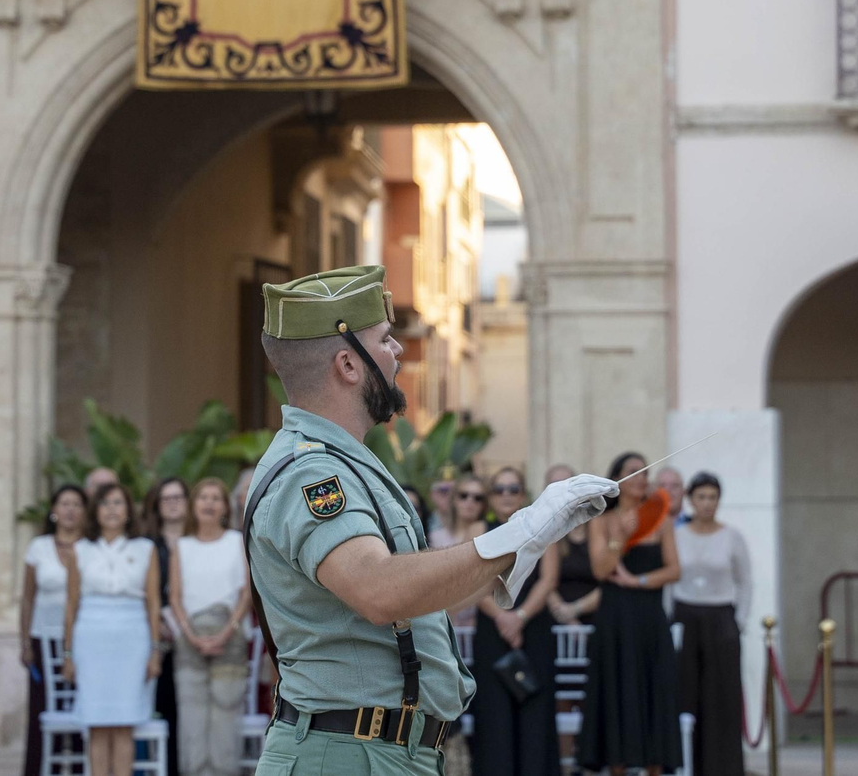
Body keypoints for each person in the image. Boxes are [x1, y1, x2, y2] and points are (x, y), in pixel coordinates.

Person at [244, 265, 614, 775]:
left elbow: (418, 599)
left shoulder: (347, 463)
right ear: (349, 365)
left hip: (376, 750)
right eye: (386, 340)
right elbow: (378, 589)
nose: (398, 352)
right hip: (348, 753)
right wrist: (518, 531)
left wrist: (531, 540)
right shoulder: (312, 473)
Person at [579, 450, 682, 776]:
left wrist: (638, 581)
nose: (642, 478)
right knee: (616, 691)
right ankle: (617, 768)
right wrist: (620, 538)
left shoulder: (661, 519)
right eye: (635, 472)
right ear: (619, 480)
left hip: (650, 618)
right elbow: (600, 570)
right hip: (614, 620)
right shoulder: (602, 522)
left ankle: (654, 767)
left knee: (654, 692)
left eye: (645, 473)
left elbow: (674, 570)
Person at [65, 482, 161, 776]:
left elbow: (154, 604)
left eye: (118, 503)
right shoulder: (79, 550)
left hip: (131, 638)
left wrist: (155, 650)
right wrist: (67, 653)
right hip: (90, 639)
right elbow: (71, 605)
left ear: (129, 511)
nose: (111, 509)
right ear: (95, 511)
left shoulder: (145, 549)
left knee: (123, 724)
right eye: (105, 503)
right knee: (96, 724)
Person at [470, 467, 559, 776]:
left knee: (536, 712)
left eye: (513, 488)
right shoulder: (479, 529)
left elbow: (548, 580)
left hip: (533, 626)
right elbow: (471, 584)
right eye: (499, 489)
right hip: (493, 629)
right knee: (495, 715)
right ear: (490, 498)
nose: (507, 495)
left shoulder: (544, 527)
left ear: (523, 494)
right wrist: (503, 618)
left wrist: (519, 617)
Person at [171, 477, 251, 776]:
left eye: (215, 498)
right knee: (192, 714)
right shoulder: (183, 545)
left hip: (229, 637)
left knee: (226, 713)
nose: (208, 502)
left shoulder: (236, 541)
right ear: (194, 505)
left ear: (224, 506)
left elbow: (247, 592)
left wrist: (226, 632)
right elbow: (175, 597)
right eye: (202, 497)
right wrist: (191, 636)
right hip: (189, 640)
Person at [672, 471, 751, 776]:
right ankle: (688, 764)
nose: (707, 503)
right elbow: (670, 580)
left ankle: (724, 767)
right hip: (685, 615)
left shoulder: (732, 537)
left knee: (723, 696)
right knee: (687, 693)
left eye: (712, 497)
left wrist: (739, 622)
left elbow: (745, 582)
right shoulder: (677, 534)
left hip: (720, 617)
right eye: (701, 497)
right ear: (691, 500)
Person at [20, 484, 87, 776]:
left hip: (84, 642)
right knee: (42, 713)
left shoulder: (90, 548)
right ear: (54, 510)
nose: (70, 509)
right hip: (43, 639)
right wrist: (24, 642)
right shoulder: (38, 547)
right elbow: (27, 597)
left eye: (76, 504)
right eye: (64, 503)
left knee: (80, 712)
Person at [141, 477, 188, 776]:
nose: (172, 502)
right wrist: (159, 620)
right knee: (166, 707)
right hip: (159, 637)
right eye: (165, 498)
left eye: (178, 497)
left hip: (194, 633)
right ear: (157, 505)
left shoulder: (199, 541)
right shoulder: (147, 545)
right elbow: (144, 591)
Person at [431, 475, 489, 627]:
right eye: (463, 495)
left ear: (484, 504)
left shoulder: (491, 536)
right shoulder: (435, 537)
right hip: (443, 621)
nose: (470, 501)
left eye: (478, 498)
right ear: (454, 499)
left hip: (482, 623)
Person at [546, 463, 600, 627]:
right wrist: (566, 616)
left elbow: (610, 581)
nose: (561, 492)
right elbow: (542, 581)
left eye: (567, 484)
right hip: (556, 621)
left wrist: (575, 609)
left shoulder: (597, 527)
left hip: (596, 620)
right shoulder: (546, 532)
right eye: (554, 486)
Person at [427, 464, 458, 535]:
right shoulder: (424, 523)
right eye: (444, 491)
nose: (450, 495)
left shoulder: (473, 523)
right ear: (432, 495)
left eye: (455, 491)